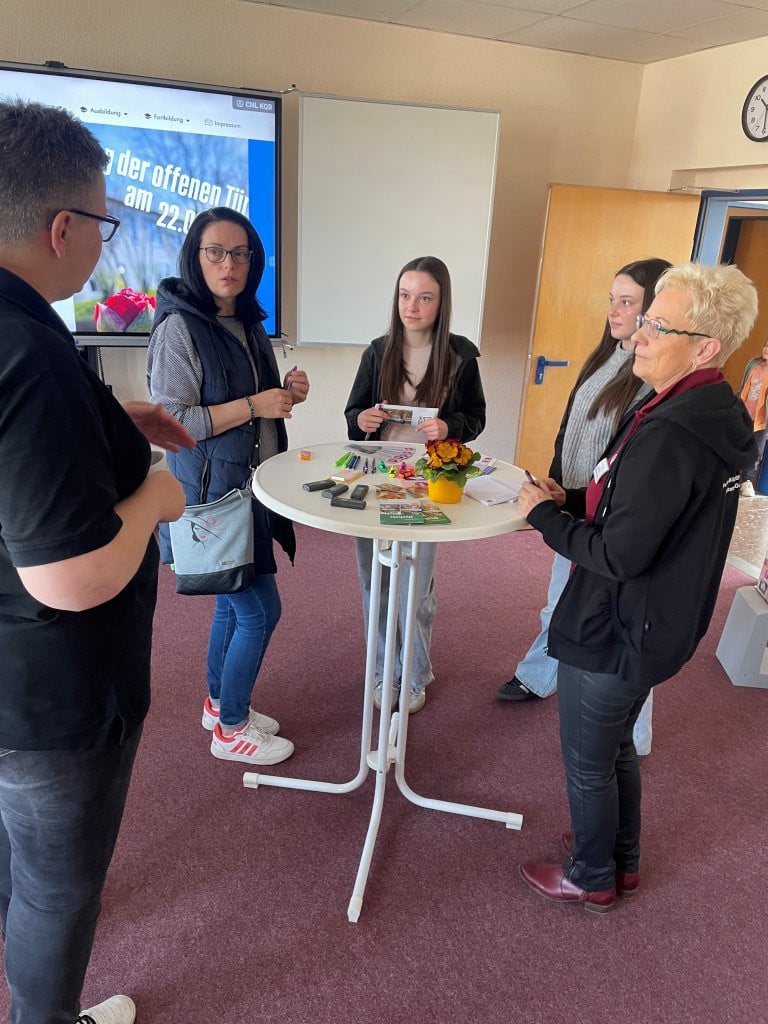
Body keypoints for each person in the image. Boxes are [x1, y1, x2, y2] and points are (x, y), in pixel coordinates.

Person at [0, 101, 191, 1023]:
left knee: (17, 854)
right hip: (51, 692)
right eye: (104, 226)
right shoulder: (27, 350)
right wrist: (155, 494)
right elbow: (70, 577)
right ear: (61, 228)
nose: (104, 246)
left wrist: (110, 420)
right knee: (57, 890)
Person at [515, 261, 758, 913]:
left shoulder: (673, 431)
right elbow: (632, 505)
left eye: (659, 325)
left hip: (620, 627)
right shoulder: (700, 408)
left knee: (588, 760)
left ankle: (590, 875)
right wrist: (567, 499)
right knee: (616, 744)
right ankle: (620, 858)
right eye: (645, 318)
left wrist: (542, 517)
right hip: (657, 621)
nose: (639, 335)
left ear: (704, 348)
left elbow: (618, 553)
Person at [148, 207, 309, 766]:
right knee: (260, 612)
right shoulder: (178, 328)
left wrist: (284, 392)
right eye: (215, 252)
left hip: (249, 489)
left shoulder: (247, 321)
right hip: (212, 497)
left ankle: (218, 704)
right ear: (195, 257)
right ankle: (232, 728)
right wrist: (255, 405)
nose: (229, 264)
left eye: (240, 254)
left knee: (230, 603)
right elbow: (174, 423)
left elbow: (255, 400)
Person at [497, 258, 672, 755]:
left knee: (623, 626)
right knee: (560, 602)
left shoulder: (651, 374)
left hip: (612, 519)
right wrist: (559, 483)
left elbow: (630, 458)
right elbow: (570, 426)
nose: (614, 310)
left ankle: (634, 734)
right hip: (577, 505)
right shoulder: (607, 356)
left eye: (627, 302)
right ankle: (540, 676)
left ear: (653, 311)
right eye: (612, 300)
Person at [344, 256, 486, 713]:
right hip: (379, 477)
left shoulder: (460, 356)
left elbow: (476, 417)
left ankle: (414, 672)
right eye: (405, 296)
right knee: (376, 581)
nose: (412, 306)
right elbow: (354, 414)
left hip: (428, 479)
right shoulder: (377, 351)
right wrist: (363, 420)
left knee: (416, 586)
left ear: (441, 303)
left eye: (425, 298)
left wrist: (450, 427)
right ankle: (382, 669)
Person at [737, 338, 768, 497]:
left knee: (756, 450)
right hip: (744, 413)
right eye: (766, 345)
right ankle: (733, 476)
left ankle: (746, 480)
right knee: (738, 443)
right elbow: (743, 387)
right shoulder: (754, 365)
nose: (766, 349)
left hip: (761, 420)